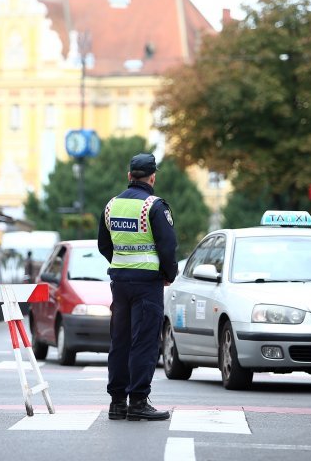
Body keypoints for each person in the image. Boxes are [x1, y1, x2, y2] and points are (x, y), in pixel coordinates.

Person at [98, 152, 178, 422]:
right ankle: (139, 402)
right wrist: (168, 274)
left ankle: (117, 403)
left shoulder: (110, 206)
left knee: (119, 341)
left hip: (120, 283)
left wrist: (122, 264)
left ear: (129, 176)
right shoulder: (155, 206)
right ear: (152, 177)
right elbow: (168, 247)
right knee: (143, 342)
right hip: (147, 285)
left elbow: (104, 245)